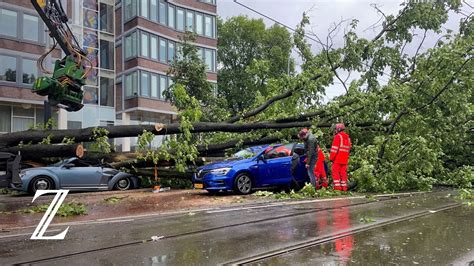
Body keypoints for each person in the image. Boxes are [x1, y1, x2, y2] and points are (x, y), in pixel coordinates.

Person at [329, 123, 352, 191]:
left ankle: (337, 188)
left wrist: (331, 158)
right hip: (345, 159)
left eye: (335, 129)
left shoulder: (338, 136)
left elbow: (334, 149)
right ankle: (344, 188)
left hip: (338, 158)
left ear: (338, 129)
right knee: (343, 173)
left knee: (335, 172)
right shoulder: (347, 138)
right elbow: (349, 148)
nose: (335, 130)